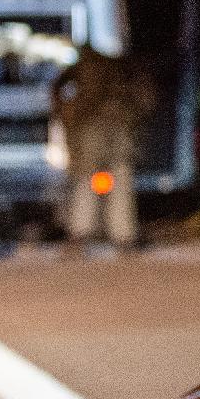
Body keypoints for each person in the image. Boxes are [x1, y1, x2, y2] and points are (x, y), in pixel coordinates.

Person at [51, 45, 154, 247]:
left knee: (88, 178)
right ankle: (123, 234)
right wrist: (137, 117)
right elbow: (146, 96)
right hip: (120, 126)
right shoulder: (122, 66)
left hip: (94, 128)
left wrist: (64, 111)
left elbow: (58, 87)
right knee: (120, 178)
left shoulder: (85, 66)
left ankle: (81, 232)